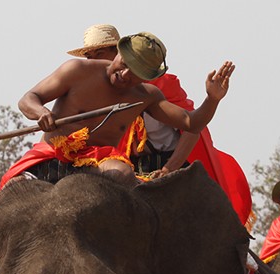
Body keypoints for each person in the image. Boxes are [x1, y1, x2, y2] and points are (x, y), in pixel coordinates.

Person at [0, 30, 234, 190]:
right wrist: (41, 112)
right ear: (119, 52)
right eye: (124, 64)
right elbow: (29, 98)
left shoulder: (147, 96)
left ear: (146, 78)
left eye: (135, 74)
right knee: (13, 188)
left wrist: (212, 99)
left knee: (122, 175)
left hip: (98, 159)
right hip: (52, 152)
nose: (123, 75)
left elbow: (191, 123)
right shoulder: (76, 70)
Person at [67, 24, 253, 226]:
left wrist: (168, 170)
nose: (93, 61)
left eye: (100, 53)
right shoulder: (99, 92)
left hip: (171, 167)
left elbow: (192, 128)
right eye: (89, 57)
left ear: (118, 53)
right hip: (129, 169)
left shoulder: (157, 87)